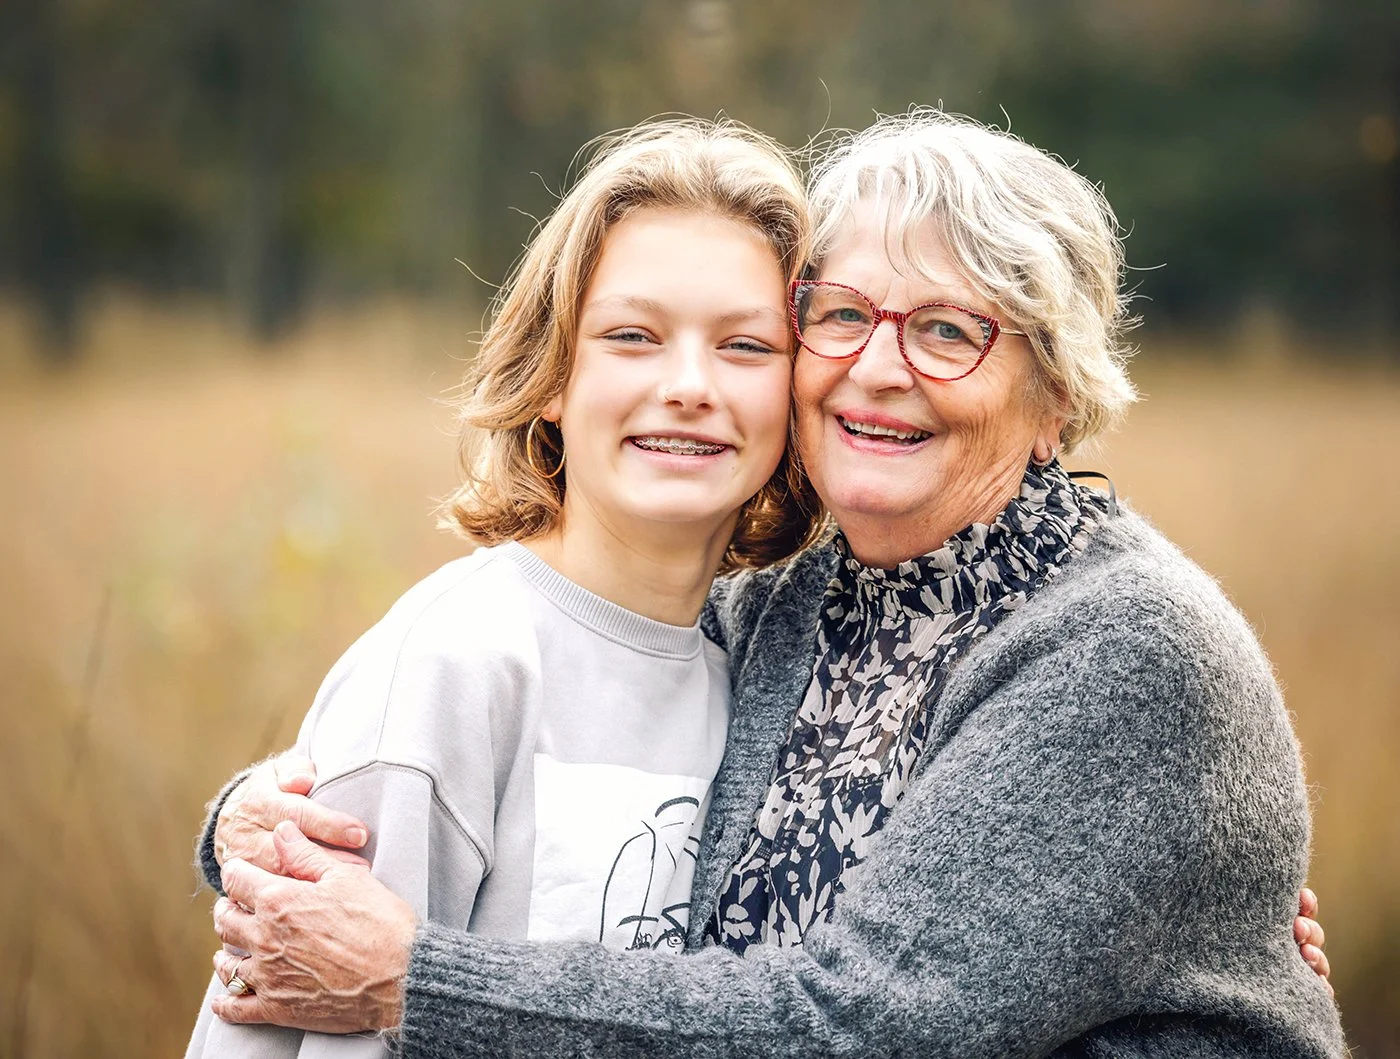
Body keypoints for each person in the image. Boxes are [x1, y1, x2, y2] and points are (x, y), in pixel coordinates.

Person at [196, 111, 1345, 1057]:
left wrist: (414, 980)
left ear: (1056, 396)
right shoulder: (786, 614)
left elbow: (855, 1030)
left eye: (948, 329)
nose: (877, 368)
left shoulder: (1123, 650)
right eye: (840, 315)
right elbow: (578, 704)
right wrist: (271, 820)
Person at [183, 118, 823, 1058]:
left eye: (746, 346)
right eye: (633, 336)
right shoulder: (454, 664)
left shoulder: (756, 674)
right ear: (553, 376)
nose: (689, 384)